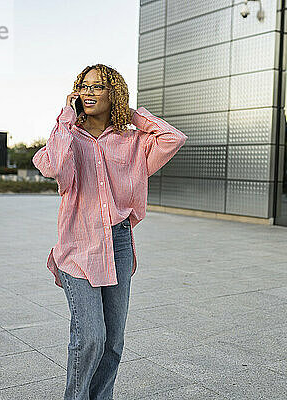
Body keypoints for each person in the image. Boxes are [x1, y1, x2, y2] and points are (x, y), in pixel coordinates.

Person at [32, 64, 187, 400]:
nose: (88, 92)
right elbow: (55, 167)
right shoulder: (67, 137)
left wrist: (127, 113)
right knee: (90, 337)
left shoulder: (133, 141)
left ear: (112, 92)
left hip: (118, 243)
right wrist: (65, 118)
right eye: (83, 86)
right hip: (77, 245)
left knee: (114, 340)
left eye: (98, 86)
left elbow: (173, 138)